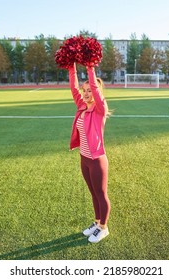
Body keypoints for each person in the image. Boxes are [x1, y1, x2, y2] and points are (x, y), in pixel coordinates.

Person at [68, 63, 111, 243]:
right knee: (92, 193)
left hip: (97, 160)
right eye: (84, 90)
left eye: (90, 90)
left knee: (101, 193)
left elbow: (95, 87)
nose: (86, 93)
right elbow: (73, 87)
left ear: (97, 92)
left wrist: (90, 67)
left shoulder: (100, 110)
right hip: (84, 158)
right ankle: (96, 222)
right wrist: (71, 67)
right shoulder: (82, 106)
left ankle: (103, 227)